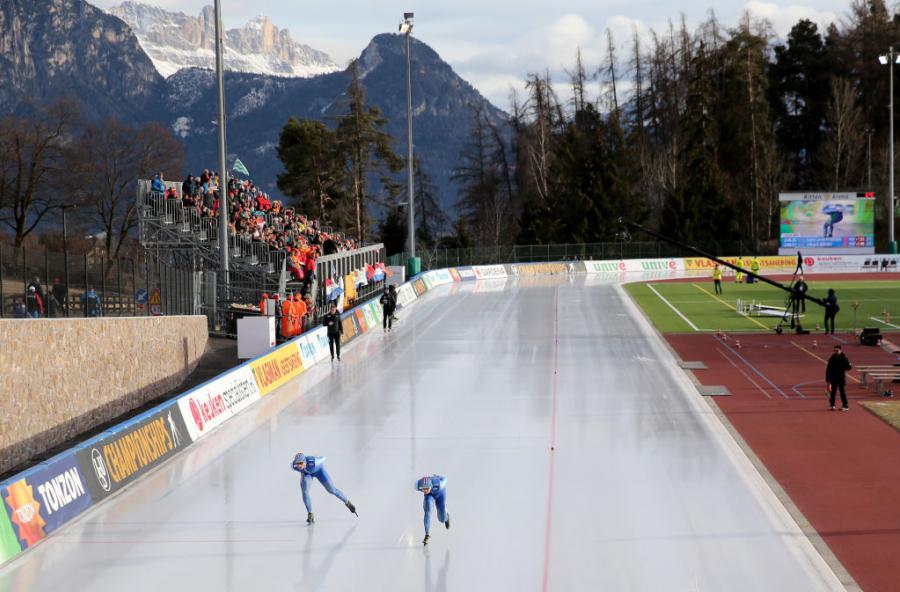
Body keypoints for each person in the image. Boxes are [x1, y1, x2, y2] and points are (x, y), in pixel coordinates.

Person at [291, 453, 357, 524]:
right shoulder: (293, 466)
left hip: (319, 472)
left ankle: (348, 503)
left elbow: (323, 458)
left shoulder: (314, 462)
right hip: (307, 474)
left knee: (332, 490)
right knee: (305, 491)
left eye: (301, 463)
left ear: (305, 462)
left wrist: (318, 457)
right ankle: (310, 514)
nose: (299, 466)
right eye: (297, 463)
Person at [416, 475, 450, 546]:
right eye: (423, 489)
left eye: (427, 488)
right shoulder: (418, 485)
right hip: (429, 496)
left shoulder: (438, 484)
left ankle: (446, 517)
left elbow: (445, 478)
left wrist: (439, 476)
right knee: (427, 511)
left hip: (440, 494)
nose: (425, 491)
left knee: (441, 519)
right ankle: (427, 534)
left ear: (431, 486)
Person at [826, 345, 852, 411]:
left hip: (841, 377)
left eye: (837, 351)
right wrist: (828, 379)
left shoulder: (844, 357)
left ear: (840, 350)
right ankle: (832, 405)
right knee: (833, 392)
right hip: (833, 377)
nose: (835, 352)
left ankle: (845, 405)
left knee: (842, 392)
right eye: (834, 351)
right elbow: (828, 368)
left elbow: (849, 367)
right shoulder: (832, 357)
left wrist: (842, 367)